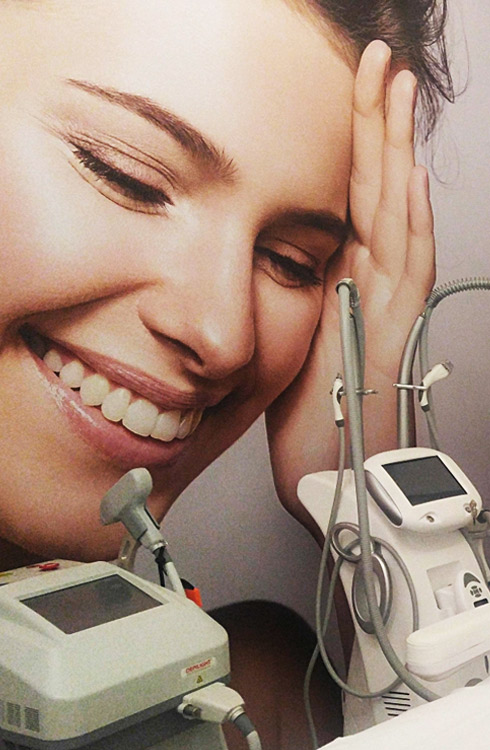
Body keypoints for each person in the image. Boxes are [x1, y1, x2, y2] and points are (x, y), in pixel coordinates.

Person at [0, 0, 453, 746]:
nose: (225, 335)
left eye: (291, 261)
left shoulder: (252, 699)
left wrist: (355, 482)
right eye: (127, 176)